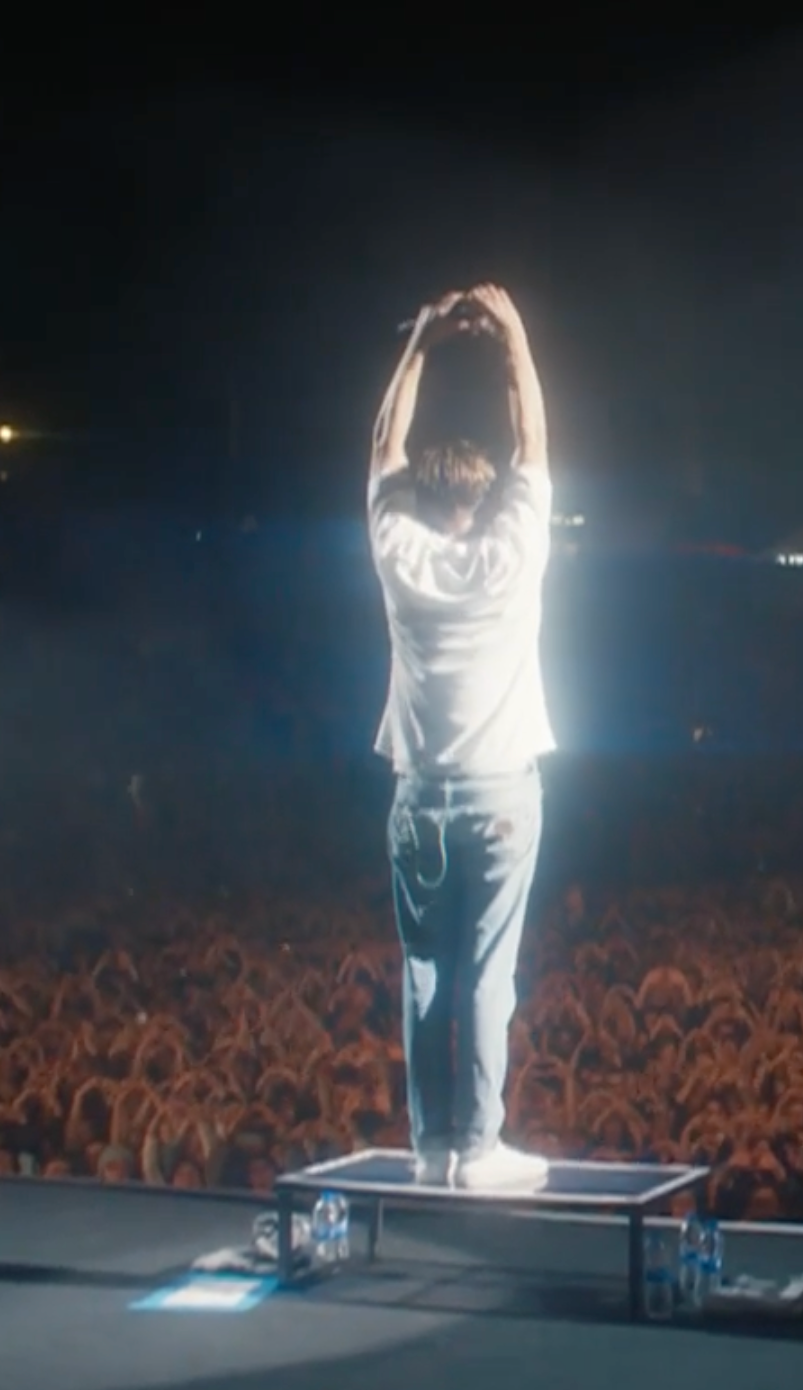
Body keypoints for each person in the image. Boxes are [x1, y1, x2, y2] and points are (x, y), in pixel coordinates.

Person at [365, 283, 554, 1191]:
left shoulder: (396, 548)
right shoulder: (512, 550)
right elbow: (534, 442)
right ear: (483, 497)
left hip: (417, 793)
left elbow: (382, 445)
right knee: (485, 972)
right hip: (500, 790)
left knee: (425, 971)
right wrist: (513, 336)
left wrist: (421, 345)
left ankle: (432, 1143)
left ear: (422, 493)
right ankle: (480, 1149)